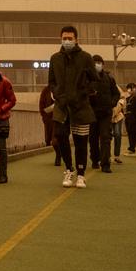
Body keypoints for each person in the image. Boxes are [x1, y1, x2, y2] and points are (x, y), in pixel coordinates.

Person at [48, 26, 96, 188]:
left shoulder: (86, 58)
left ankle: (81, 175)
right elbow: (52, 81)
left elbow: (94, 80)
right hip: (61, 106)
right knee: (60, 136)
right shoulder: (55, 58)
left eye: (70, 38)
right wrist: (56, 92)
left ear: (76, 40)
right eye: (64, 38)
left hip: (80, 106)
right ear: (60, 39)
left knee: (81, 141)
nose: (67, 41)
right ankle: (69, 169)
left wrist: (84, 92)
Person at [89, 54, 121, 173]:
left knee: (106, 138)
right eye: (95, 62)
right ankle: (94, 160)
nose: (97, 65)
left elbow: (116, 94)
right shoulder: (87, 79)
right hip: (92, 113)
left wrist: (112, 103)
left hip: (106, 113)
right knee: (92, 138)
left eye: (99, 62)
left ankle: (105, 164)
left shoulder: (109, 79)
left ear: (103, 64)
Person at [38, 84, 62, 166]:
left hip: (59, 119)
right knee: (49, 139)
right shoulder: (46, 90)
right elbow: (41, 104)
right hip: (49, 119)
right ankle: (59, 153)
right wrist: (44, 116)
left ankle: (58, 156)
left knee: (55, 140)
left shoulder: (62, 87)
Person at [124, 83, 136, 156]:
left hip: (135, 119)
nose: (129, 90)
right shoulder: (128, 98)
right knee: (131, 134)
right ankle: (131, 149)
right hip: (128, 118)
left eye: (131, 88)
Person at [111, 90, 126, 165]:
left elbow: (117, 110)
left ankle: (117, 156)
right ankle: (106, 156)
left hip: (118, 118)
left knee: (117, 135)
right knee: (106, 137)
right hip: (107, 117)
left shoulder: (121, 99)